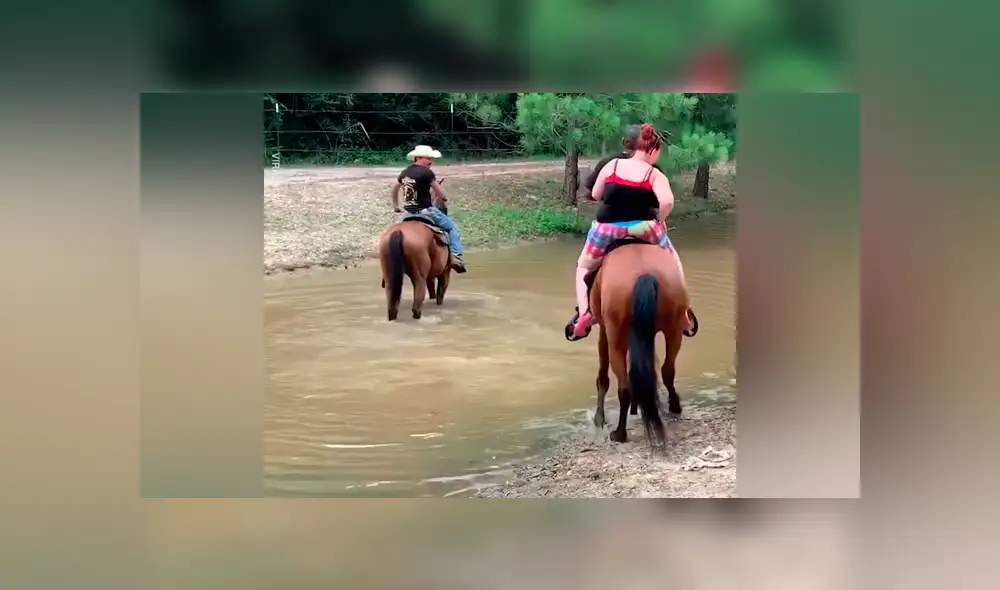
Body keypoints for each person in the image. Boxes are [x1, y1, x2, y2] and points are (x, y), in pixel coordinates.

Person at [568, 123, 693, 339]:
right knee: (673, 262)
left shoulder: (612, 165)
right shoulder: (654, 174)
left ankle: (585, 314)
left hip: (608, 228)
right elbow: (668, 202)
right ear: (652, 149)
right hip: (644, 228)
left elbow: (596, 194)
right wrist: (659, 220)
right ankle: (683, 314)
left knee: (583, 267)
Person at [391, 145, 467, 273]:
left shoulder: (405, 172)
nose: (431, 161)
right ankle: (455, 256)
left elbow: (395, 188)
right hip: (427, 211)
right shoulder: (427, 172)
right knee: (452, 227)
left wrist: (396, 205)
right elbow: (441, 193)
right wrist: (443, 197)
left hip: (409, 213)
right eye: (428, 158)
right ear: (418, 157)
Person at [577, 124, 664, 202]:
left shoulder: (608, 163)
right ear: (646, 144)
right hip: (643, 216)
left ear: (624, 142)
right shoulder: (654, 170)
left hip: (611, 215)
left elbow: (593, 193)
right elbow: (663, 200)